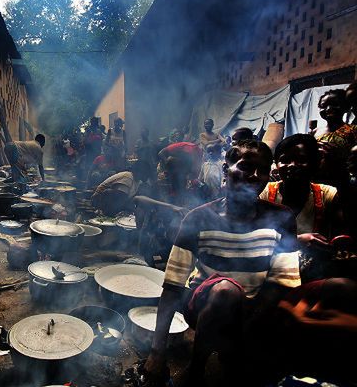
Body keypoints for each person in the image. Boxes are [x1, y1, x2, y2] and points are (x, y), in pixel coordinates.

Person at [144, 140, 301, 386]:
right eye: (247, 166)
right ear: (226, 169)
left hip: (253, 308)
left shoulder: (281, 217)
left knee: (339, 288)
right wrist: (157, 352)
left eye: (263, 169)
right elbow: (173, 286)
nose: (256, 176)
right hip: (205, 303)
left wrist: (247, 332)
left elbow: (282, 284)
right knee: (226, 291)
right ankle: (196, 369)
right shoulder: (198, 218)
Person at [260, 134, 344, 281]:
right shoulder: (265, 192)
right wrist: (297, 241)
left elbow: (343, 231)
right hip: (269, 272)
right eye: (284, 160)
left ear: (315, 163)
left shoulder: (328, 194)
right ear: (276, 164)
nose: (292, 165)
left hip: (313, 273)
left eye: (301, 160)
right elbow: (251, 238)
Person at [314, 89, 357, 157]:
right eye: (323, 106)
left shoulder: (354, 130)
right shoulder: (315, 131)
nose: (328, 109)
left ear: (346, 107)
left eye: (335, 104)